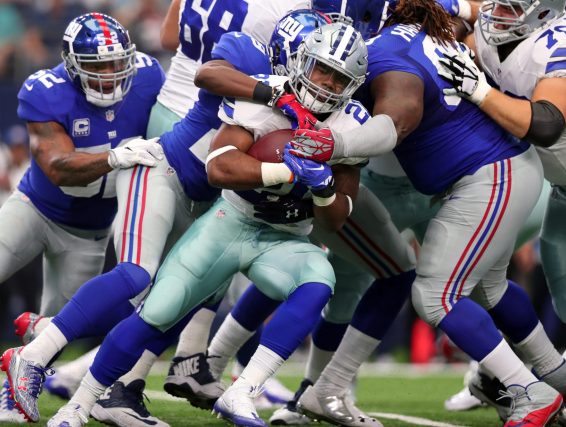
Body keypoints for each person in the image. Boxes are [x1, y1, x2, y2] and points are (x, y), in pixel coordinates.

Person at [41, 21, 370, 427]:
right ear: (303, 62)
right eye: (322, 69)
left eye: (341, 78)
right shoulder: (265, 93)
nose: (328, 84)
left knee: (320, 279)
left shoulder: (353, 122)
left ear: (354, 85)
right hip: (230, 222)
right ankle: (77, 405)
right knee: (157, 311)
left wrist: (323, 191)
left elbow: (337, 219)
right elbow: (219, 167)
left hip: (286, 236)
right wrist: (286, 172)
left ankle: (242, 392)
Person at [289, 2, 566, 427]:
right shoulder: (427, 31)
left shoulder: (387, 52)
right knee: (487, 286)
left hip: (489, 176)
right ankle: (555, 372)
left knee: (435, 294)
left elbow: (395, 123)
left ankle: (531, 391)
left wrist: (335, 146)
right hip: (495, 172)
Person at [436, 0, 566, 421]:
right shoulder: (497, 24)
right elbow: (470, 10)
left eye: (510, 7)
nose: (498, 14)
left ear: (542, 11)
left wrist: (479, 90)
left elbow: (546, 125)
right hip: (565, 187)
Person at [0, 11, 165, 423]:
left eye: (116, 63)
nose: (110, 76)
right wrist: (112, 159)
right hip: (35, 210)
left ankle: (10, 395)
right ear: (72, 66)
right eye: (98, 66)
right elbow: (56, 164)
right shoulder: (45, 89)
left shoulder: (148, 77)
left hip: (90, 233)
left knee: (56, 331)